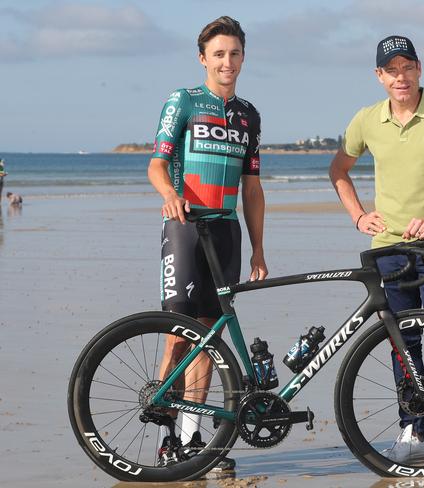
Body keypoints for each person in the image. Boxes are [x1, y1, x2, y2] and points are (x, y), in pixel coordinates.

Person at [329, 35, 424, 463]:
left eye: (407, 67)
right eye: (391, 70)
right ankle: (413, 430)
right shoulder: (367, 120)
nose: (400, 77)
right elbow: (339, 169)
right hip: (387, 249)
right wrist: (358, 216)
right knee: (401, 343)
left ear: (419, 69)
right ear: (379, 76)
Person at [147, 16, 268, 469]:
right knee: (178, 336)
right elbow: (157, 164)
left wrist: (258, 248)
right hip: (184, 228)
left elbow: (252, 188)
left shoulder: (249, 115)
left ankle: (191, 437)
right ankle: (166, 437)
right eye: (219, 54)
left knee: (209, 338)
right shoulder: (183, 102)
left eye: (234, 54)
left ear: (242, 58)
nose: (227, 62)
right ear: (203, 59)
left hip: (225, 229)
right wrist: (170, 196)